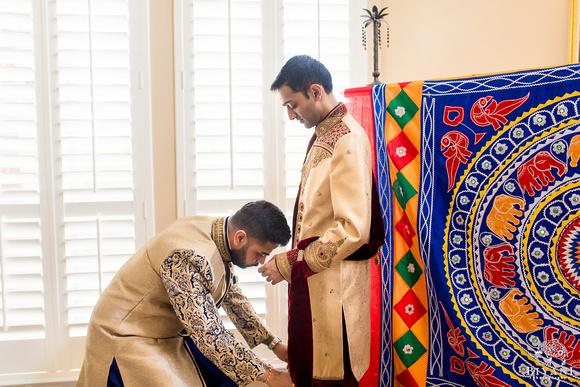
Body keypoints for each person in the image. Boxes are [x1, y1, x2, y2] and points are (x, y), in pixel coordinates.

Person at [259, 55, 384, 386]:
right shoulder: (324, 134)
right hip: (316, 287)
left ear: (316, 91)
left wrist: (289, 263)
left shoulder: (347, 139)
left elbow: (353, 229)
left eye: (293, 104)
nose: (290, 115)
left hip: (334, 294)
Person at [77, 200, 294, 387]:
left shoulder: (220, 232)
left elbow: (233, 297)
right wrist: (271, 376)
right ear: (240, 238)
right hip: (126, 333)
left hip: (162, 333)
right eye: (260, 253)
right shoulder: (187, 256)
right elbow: (209, 333)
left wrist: (274, 344)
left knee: (224, 378)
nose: (262, 262)